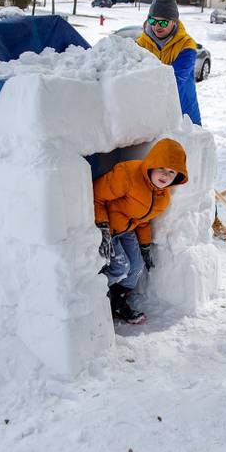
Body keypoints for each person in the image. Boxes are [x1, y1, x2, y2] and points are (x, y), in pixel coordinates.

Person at [135, 0, 226, 242]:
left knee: (196, 170)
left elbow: (172, 80)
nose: (158, 26)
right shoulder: (140, 43)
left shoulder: (187, 46)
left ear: (175, 23)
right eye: (154, 20)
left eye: (164, 22)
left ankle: (213, 218)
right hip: (154, 116)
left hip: (185, 117)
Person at [93, 138, 188, 324]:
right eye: (161, 168)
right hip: (108, 226)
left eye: (171, 172)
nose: (165, 175)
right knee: (121, 268)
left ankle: (117, 302)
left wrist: (145, 246)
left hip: (127, 230)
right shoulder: (128, 174)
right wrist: (102, 227)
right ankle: (96, 296)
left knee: (136, 268)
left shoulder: (162, 198)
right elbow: (97, 196)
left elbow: (143, 222)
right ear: (152, 164)